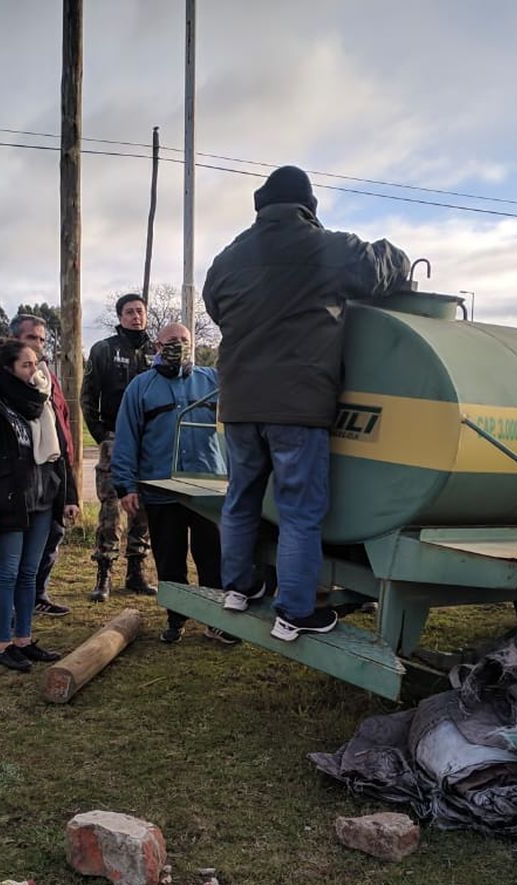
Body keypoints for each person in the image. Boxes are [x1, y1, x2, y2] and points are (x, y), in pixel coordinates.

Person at [203, 165, 410, 641]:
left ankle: (237, 587)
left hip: (237, 403)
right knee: (299, 510)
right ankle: (294, 612)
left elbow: (218, 307)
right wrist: (399, 258)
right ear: (308, 206)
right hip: (298, 404)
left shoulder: (226, 259)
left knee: (240, 497)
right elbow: (380, 265)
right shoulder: (323, 247)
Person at [111, 323, 236, 647]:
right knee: (169, 557)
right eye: (171, 341)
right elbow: (127, 439)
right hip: (162, 489)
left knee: (213, 556)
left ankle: (215, 621)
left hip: (208, 487)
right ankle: (176, 616)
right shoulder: (141, 388)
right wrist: (126, 486)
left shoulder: (212, 382)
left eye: (184, 341)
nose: (178, 346)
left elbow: (235, 432)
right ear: (157, 345)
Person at [0, 338, 80, 672]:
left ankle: (24, 639)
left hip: (44, 497)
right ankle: (4, 643)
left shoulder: (42, 398)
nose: (34, 371)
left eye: (36, 363)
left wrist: (69, 497)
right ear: (8, 368)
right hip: (8, 501)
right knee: (8, 571)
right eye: (26, 365)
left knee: (30, 573)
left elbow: (61, 454)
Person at [81, 292, 155, 602]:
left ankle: (136, 571)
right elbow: (88, 397)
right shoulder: (104, 350)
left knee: (144, 507)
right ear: (120, 317)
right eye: (129, 312)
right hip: (115, 436)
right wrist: (101, 434)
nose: (136, 316)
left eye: (140, 311)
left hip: (150, 441)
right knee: (111, 506)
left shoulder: (157, 350)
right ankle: (104, 572)